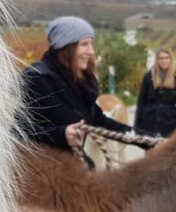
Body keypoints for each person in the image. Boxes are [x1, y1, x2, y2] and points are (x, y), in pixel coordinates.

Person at [22, 16, 132, 151]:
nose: (91, 51)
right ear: (66, 47)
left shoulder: (78, 82)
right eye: (84, 44)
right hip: (45, 169)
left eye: (91, 44)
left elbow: (97, 120)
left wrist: (143, 137)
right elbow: (20, 130)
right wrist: (61, 134)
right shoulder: (37, 79)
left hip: (72, 164)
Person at [134, 48, 176, 138]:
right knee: (150, 151)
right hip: (149, 122)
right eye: (161, 58)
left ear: (171, 59)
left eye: (166, 58)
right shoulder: (148, 76)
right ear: (157, 60)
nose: (164, 61)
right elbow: (141, 102)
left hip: (169, 123)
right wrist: (136, 125)